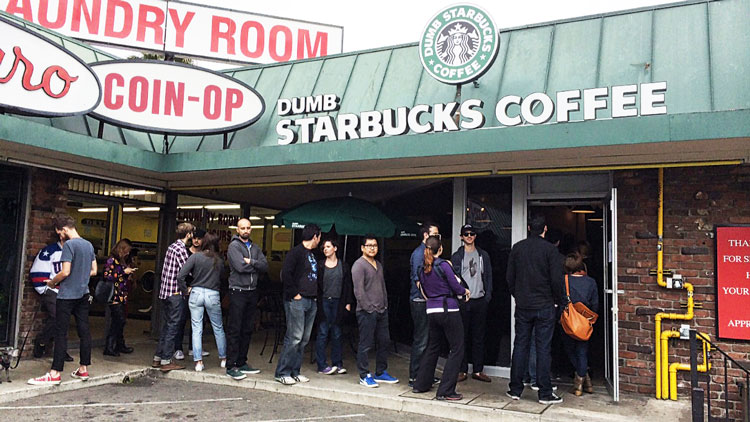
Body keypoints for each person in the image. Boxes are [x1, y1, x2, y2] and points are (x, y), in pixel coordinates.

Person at [28, 215, 96, 385]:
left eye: (60, 232)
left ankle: (55, 372)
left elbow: (65, 272)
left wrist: (52, 282)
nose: (60, 236)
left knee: (61, 332)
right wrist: (80, 276)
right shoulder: (88, 245)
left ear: (64, 229)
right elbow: (94, 270)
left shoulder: (69, 245)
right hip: (83, 293)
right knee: (84, 331)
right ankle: (83, 369)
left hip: (66, 295)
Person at [506, 213, 565, 405]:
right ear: (545, 229)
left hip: (523, 305)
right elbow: (556, 280)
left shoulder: (517, 248)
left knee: (520, 345)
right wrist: (559, 300)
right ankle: (544, 392)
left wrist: (518, 295)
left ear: (529, 228)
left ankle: (515, 389)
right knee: (543, 349)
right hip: (545, 305)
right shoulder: (550, 250)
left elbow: (510, 278)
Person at [413, 235, 470, 400]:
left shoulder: (422, 268)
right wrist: (464, 292)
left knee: (433, 346)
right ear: (441, 249)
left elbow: (423, 289)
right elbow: (455, 285)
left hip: (431, 310)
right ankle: (446, 390)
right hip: (448, 309)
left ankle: (421, 384)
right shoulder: (444, 265)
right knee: (457, 348)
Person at [274, 224, 321, 385]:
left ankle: (295, 371)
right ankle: (282, 372)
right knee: (294, 337)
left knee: (304, 339)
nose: (319, 241)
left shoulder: (311, 254)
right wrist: (296, 294)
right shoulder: (296, 252)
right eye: (319, 237)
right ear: (315, 236)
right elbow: (286, 274)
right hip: (297, 300)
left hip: (310, 300)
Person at [177, 232, 228, 373]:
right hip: (213, 293)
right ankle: (223, 358)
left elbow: (181, 276)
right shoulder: (219, 260)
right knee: (218, 328)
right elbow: (223, 279)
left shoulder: (195, 257)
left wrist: (186, 290)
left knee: (196, 328)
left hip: (196, 292)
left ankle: (198, 362)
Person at [352, 235, 398, 388]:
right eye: (369, 245)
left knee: (384, 341)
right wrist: (368, 308)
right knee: (365, 344)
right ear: (362, 248)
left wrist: (385, 305)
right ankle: (364, 375)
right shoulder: (358, 265)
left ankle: (380, 372)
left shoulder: (378, 264)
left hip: (381, 310)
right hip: (367, 312)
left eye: (375, 245)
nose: (372, 248)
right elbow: (359, 291)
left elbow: (382, 286)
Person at [225, 219, 268, 380]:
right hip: (238, 291)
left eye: (248, 228)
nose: (246, 230)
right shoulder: (234, 246)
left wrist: (252, 261)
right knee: (235, 328)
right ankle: (231, 365)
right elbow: (239, 267)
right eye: (243, 228)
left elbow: (265, 265)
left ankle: (242, 362)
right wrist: (255, 265)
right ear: (237, 229)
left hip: (252, 291)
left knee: (248, 328)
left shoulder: (255, 247)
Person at [451, 223, 492, 383]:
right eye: (466, 234)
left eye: (472, 233)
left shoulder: (483, 255)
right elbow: (453, 278)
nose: (469, 236)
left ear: (475, 236)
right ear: (461, 237)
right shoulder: (457, 256)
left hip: (480, 300)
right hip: (463, 301)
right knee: (462, 336)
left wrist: (488, 296)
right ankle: (462, 370)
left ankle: (478, 369)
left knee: (479, 336)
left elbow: (488, 276)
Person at [153, 222, 194, 372]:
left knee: (166, 326)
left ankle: (158, 357)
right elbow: (186, 271)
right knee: (173, 327)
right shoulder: (181, 249)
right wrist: (187, 289)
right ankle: (166, 360)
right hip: (175, 293)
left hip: (165, 291)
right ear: (189, 234)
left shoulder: (171, 247)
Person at [29, 232, 73, 362]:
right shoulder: (50, 251)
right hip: (51, 290)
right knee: (59, 317)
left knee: (63, 319)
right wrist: (44, 289)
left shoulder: (74, 253)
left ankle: (59, 349)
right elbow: (37, 272)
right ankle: (42, 342)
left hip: (68, 292)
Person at [562, 252, 599, 396]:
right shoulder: (590, 282)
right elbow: (595, 304)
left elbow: (559, 300)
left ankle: (579, 384)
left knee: (570, 350)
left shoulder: (563, 280)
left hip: (568, 320)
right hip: (585, 322)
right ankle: (585, 381)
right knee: (582, 351)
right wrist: (590, 318)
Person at [315, 239, 354, 375]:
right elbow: (317, 287)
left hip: (339, 302)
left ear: (335, 248)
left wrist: (348, 302)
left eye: (328, 246)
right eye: (324, 247)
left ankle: (337, 363)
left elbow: (348, 285)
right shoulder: (320, 266)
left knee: (337, 332)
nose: (325, 249)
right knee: (323, 332)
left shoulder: (343, 266)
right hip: (324, 301)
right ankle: (321, 364)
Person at [408, 222, 439, 387]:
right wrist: (429, 297)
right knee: (421, 339)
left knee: (429, 340)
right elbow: (418, 279)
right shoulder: (419, 254)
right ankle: (415, 376)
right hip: (420, 300)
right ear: (425, 235)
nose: (437, 237)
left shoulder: (428, 252)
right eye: (434, 234)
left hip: (427, 300)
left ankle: (425, 374)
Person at [175, 228, 209, 361]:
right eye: (194, 238)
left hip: (200, 290)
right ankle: (178, 348)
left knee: (198, 321)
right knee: (182, 319)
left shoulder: (206, 255)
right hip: (187, 291)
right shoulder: (185, 253)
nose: (196, 241)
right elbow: (181, 274)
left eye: (199, 238)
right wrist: (185, 288)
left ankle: (193, 347)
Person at [102, 238, 136, 356]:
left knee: (119, 321)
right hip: (114, 295)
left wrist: (128, 275)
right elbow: (107, 276)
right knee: (119, 320)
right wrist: (123, 272)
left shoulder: (122, 261)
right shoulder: (111, 260)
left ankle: (118, 345)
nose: (127, 253)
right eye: (126, 251)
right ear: (122, 249)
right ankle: (110, 346)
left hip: (121, 294)